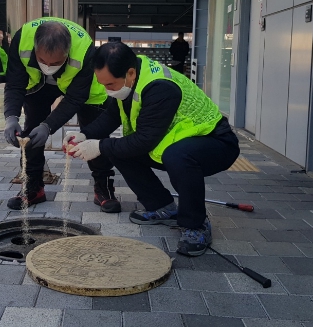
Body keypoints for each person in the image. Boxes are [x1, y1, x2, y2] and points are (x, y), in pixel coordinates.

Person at [65, 41, 240, 256]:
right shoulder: (130, 79)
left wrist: (99, 146)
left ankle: (196, 225)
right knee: (117, 149)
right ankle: (162, 207)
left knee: (176, 156)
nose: (106, 90)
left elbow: (144, 140)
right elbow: (111, 117)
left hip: (216, 142)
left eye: (110, 84)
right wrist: (84, 135)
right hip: (178, 142)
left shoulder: (160, 87)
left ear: (130, 73)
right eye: (102, 84)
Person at [3, 17, 119, 212]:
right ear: (34, 48)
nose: (48, 66)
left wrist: (48, 126)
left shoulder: (84, 49)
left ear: (68, 52)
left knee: (94, 133)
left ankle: (103, 187)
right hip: (38, 85)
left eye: (56, 62)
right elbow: (14, 83)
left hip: (82, 91)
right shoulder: (22, 39)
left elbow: (75, 98)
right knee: (31, 133)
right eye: (42, 60)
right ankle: (33, 187)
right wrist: (11, 117)